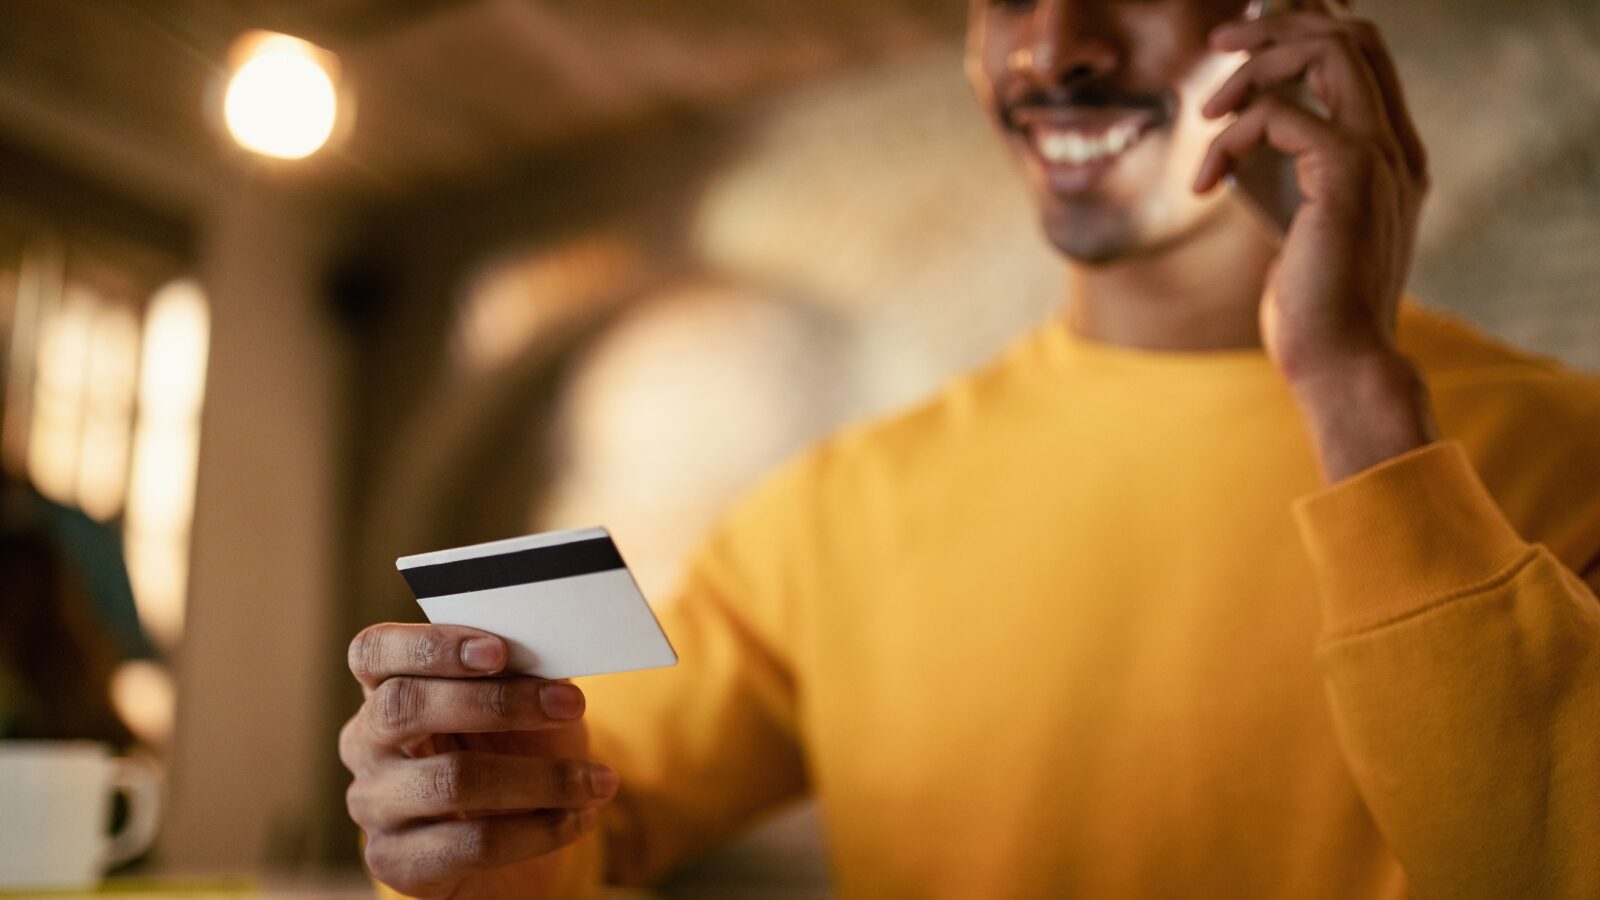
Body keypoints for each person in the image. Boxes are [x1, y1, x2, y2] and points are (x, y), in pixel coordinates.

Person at [341, 0, 1600, 896]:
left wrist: (1355, 392)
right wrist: (459, 808)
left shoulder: (1570, 451)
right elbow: (577, 826)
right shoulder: (839, 506)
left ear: (1288, 23)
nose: (1054, 46)